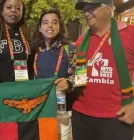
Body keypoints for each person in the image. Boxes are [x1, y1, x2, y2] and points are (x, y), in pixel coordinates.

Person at [72, 0, 134, 140]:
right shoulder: (81, 42)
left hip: (118, 118)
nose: (86, 13)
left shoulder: (130, 34)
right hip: (82, 117)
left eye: (92, 8)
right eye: (84, 9)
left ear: (107, 8)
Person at [32, 9, 75, 140]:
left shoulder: (70, 49)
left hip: (62, 111)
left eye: (54, 22)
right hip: (40, 110)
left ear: (60, 27)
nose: (50, 25)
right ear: (39, 28)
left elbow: (80, 77)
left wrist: (69, 83)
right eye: (45, 22)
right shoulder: (34, 51)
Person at [0, 0, 35, 82]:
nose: (13, 10)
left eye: (18, 8)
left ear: (22, 13)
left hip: (25, 90)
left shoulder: (31, 36)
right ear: (2, 11)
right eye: (9, 7)